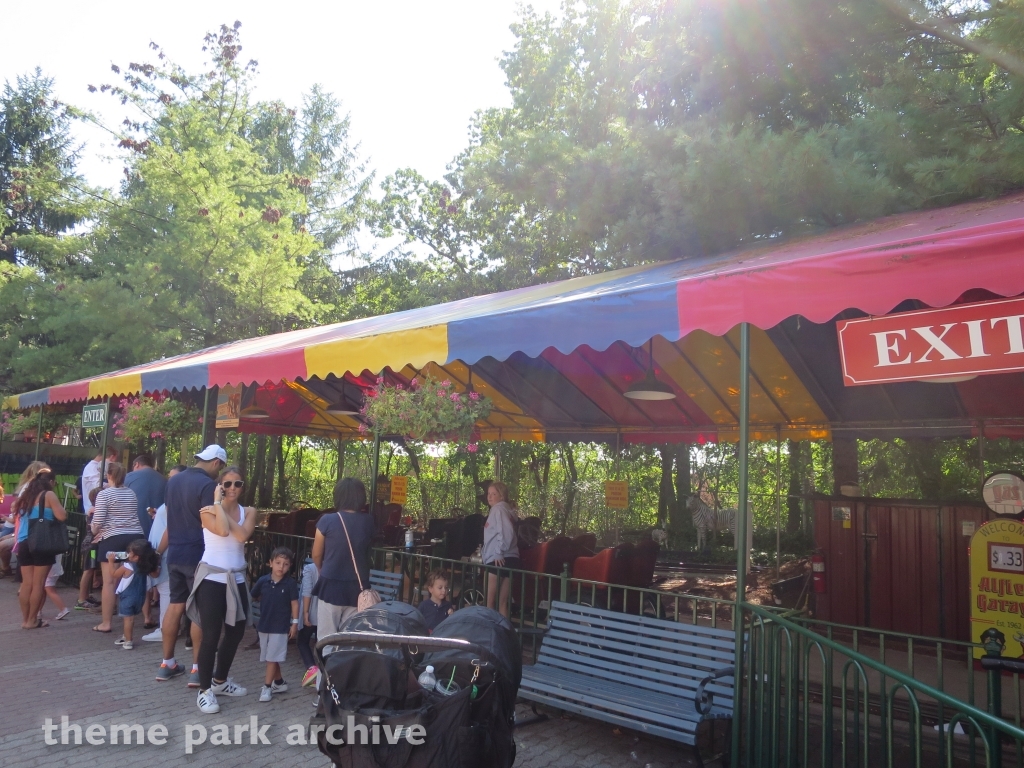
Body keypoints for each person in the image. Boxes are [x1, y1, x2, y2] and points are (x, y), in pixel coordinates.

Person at [185, 465, 257, 714]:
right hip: (212, 578)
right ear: (220, 487)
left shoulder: (249, 511)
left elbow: (243, 536)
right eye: (227, 484)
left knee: (236, 633)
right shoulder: (206, 511)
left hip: (237, 579)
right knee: (211, 635)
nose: (233, 488)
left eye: (238, 484)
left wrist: (220, 510)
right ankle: (204, 690)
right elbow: (224, 531)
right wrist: (217, 504)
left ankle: (220, 680)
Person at [156, 445, 225, 685]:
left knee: (175, 605)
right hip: (198, 553)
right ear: (216, 462)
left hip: (175, 552)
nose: (219, 473)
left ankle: (167, 663)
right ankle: (198, 669)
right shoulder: (207, 485)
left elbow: (168, 515)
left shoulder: (173, 481)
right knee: (199, 610)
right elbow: (211, 521)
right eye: (220, 468)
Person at [311, 478, 374, 641]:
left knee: (327, 638)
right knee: (350, 638)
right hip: (358, 587)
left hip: (331, 584)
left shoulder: (326, 520)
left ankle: (328, 659)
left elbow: (316, 554)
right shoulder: (368, 521)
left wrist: (321, 568)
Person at [90, 462, 144, 633]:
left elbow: (98, 522)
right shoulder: (131, 493)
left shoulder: (104, 494)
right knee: (131, 577)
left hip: (112, 539)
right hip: (134, 537)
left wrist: (93, 529)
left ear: (109, 476)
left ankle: (106, 623)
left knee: (109, 582)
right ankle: (136, 615)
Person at [12, 467, 67, 629]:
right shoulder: (48, 495)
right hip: (42, 543)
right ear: (50, 482)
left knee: (26, 584)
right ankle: (32, 620)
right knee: (38, 584)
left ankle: (25, 620)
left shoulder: (25, 497)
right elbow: (62, 516)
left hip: (23, 542)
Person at [142, 464, 185, 642]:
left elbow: (171, 528)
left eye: (174, 477)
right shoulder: (174, 498)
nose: (170, 480)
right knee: (166, 589)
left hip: (165, 551)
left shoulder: (176, 500)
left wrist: (158, 553)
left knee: (166, 589)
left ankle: (165, 629)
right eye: (170, 477)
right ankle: (171, 627)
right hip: (164, 549)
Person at [250, 546, 299, 702]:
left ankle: (267, 687)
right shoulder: (263, 581)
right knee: (270, 656)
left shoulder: (290, 584)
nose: (281, 567)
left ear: (290, 566)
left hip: (280, 626)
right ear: (270, 563)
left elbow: (294, 603)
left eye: (285, 564)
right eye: (278, 563)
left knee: (271, 657)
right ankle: (279, 682)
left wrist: (295, 623)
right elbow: (253, 595)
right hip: (264, 624)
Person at [109, 538, 161, 650]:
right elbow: (155, 575)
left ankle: (128, 641)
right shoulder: (146, 566)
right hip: (140, 597)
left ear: (136, 557)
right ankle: (126, 636)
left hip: (127, 597)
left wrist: (111, 562)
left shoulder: (127, 566)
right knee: (130, 618)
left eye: (130, 552)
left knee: (128, 619)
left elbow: (114, 574)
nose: (128, 554)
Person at [482, 481, 520, 619]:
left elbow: (506, 532)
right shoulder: (508, 511)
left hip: (497, 559)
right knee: (502, 603)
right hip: (512, 559)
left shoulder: (497, 509)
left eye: (494, 494)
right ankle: (505, 629)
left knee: (489, 603)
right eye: (488, 493)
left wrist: (498, 552)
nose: (489, 496)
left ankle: (489, 630)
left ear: (502, 496)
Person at [124, 453, 166, 538]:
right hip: (157, 529)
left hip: (132, 529)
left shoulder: (129, 477)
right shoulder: (164, 480)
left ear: (136, 464)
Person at [75, 487, 102, 609]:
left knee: (90, 569)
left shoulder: (93, 511)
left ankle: (85, 596)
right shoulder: (95, 512)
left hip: (90, 545)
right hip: (92, 546)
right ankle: (81, 599)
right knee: (88, 570)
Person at [299, 554, 320, 688]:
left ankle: (312, 669)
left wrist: (305, 612)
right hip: (327, 613)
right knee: (321, 643)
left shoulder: (310, 568)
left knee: (302, 641)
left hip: (312, 612)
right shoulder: (334, 568)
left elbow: (307, 592)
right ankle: (323, 671)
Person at [40, 553, 70, 621]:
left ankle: (63, 609)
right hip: (55, 568)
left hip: (49, 569)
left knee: (50, 590)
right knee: (44, 590)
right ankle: (38, 610)